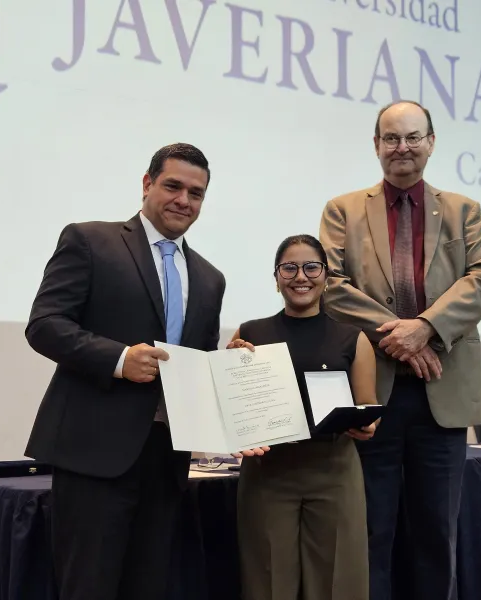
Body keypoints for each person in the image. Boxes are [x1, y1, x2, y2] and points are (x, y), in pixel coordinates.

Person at [23, 143, 225, 600]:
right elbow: (45, 325)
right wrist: (118, 360)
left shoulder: (210, 277)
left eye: (196, 193)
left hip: (167, 458)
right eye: (173, 186)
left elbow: (199, 360)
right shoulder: (90, 240)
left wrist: (233, 371)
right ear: (147, 183)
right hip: (96, 454)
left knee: (149, 586)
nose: (183, 200)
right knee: (88, 586)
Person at [319, 101, 481, 600]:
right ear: (376, 145)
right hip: (373, 392)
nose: (402, 148)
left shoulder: (464, 210)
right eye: (391, 138)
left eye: (413, 137)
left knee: (436, 535)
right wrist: (400, 334)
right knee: (369, 531)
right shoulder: (343, 210)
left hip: (443, 394)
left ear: (432, 142)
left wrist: (427, 327)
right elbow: (331, 285)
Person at [228, 234, 378, 600]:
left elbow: (368, 404)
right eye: (289, 268)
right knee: (268, 583)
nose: (301, 277)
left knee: (338, 584)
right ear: (276, 277)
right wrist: (230, 363)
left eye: (312, 267)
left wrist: (368, 423)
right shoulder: (249, 335)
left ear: (326, 276)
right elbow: (233, 406)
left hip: (334, 472)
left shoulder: (352, 337)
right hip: (268, 475)